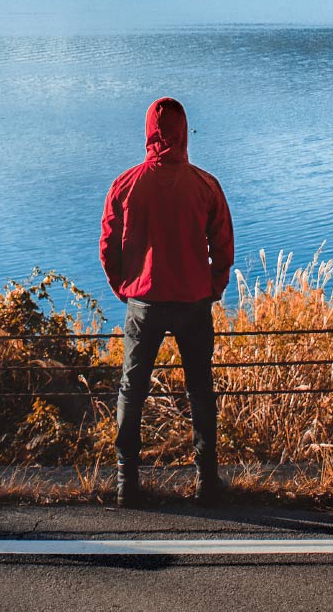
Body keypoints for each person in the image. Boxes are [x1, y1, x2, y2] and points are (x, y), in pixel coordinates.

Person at [100, 97, 234, 508]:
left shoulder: (125, 185)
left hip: (144, 302)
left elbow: (108, 247)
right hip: (194, 301)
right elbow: (223, 247)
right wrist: (213, 286)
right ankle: (206, 482)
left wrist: (125, 287)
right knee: (200, 389)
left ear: (148, 134)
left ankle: (127, 484)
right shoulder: (206, 185)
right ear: (183, 133)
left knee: (131, 390)